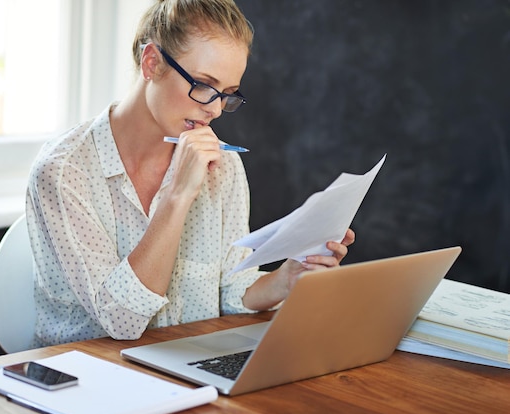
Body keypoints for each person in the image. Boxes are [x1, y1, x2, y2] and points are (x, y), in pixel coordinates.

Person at [26, 0, 355, 347]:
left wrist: (286, 279)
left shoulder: (223, 166)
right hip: (87, 378)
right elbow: (121, 321)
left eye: (227, 95)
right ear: (151, 63)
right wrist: (177, 195)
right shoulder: (64, 172)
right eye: (202, 84)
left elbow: (230, 290)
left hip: (186, 366)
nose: (214, 110)